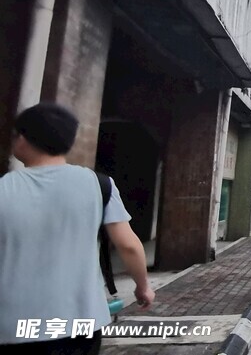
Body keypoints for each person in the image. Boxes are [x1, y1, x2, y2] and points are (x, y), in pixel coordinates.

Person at [0, 102, 155, 353]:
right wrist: (143, 286)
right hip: (82, 322)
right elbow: (128, 245)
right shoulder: (98, 185)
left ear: (23, 139)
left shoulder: (4, 189)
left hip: (13, 326)